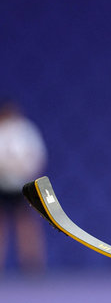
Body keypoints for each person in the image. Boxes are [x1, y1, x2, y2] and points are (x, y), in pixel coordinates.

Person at [0, 100, 47, 275]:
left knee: (27, 224)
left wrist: (24, 170)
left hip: (23, 184)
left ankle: (32, 264)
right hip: (2, 185)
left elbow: (37, 156)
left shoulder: (27, 131)